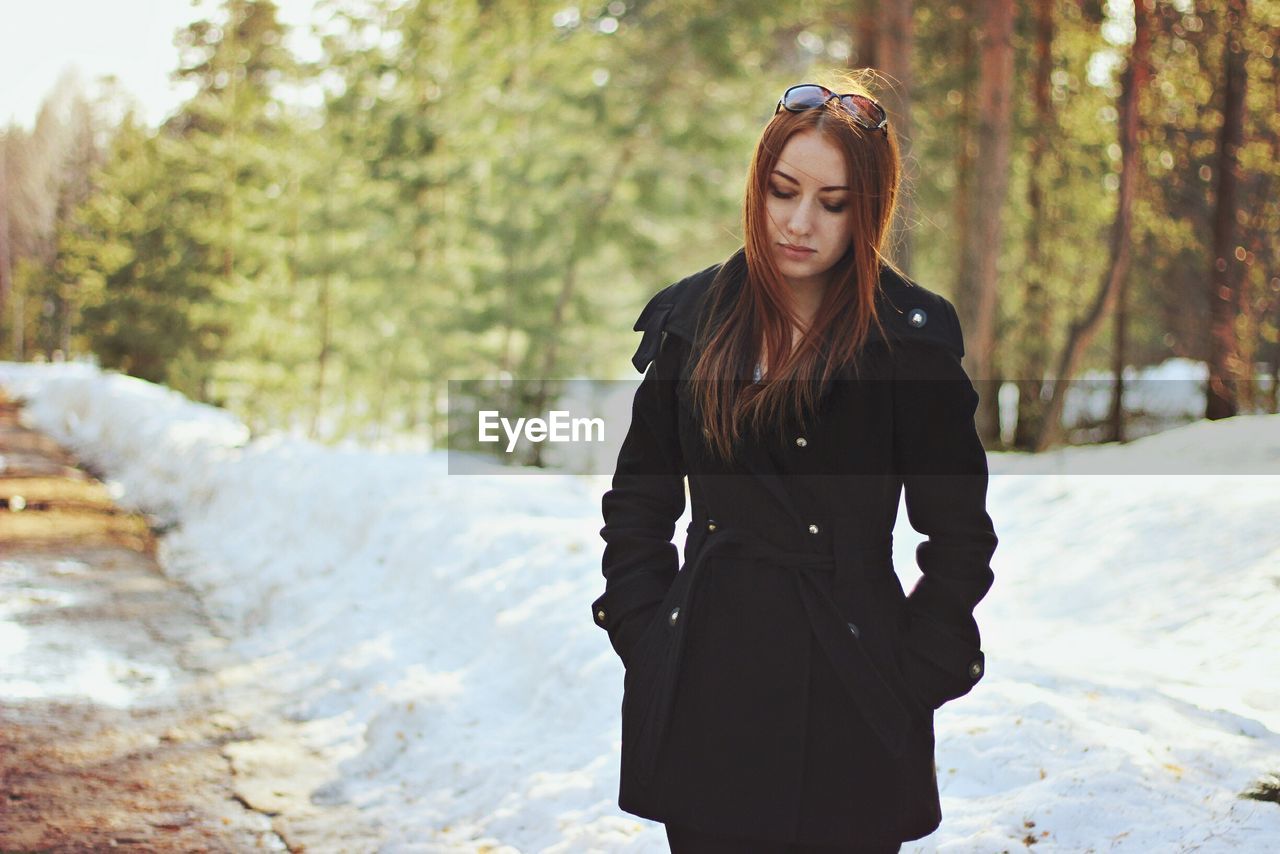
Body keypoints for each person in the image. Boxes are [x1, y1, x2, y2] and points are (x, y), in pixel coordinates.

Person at [591, 72, 998, 853]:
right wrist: (645, 630)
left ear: (867, 209)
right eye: (783, 191)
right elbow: (638, 504)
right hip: (708, 684)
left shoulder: (909, 337)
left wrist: (920, 665)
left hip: (859, 685)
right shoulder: (691, 318)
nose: (800, 222)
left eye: (832, 202)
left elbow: (959, 535)